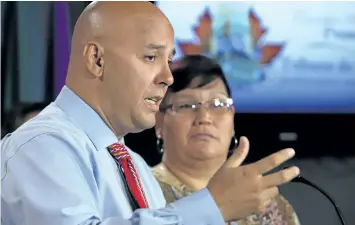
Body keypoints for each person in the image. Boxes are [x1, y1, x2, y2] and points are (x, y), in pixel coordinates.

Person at [1, 2, 300, 225]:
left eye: (168, 60)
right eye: (150, 57)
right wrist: (211, 208)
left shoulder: (136, 167)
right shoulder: (40, 146)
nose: (168, 77)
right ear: (96, 59)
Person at [152, 55, 301, 225]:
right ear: (159, 121)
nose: (204, 117)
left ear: (232, 121)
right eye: (186, 105)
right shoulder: (141, 191)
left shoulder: (264, 201)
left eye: (218, 105)